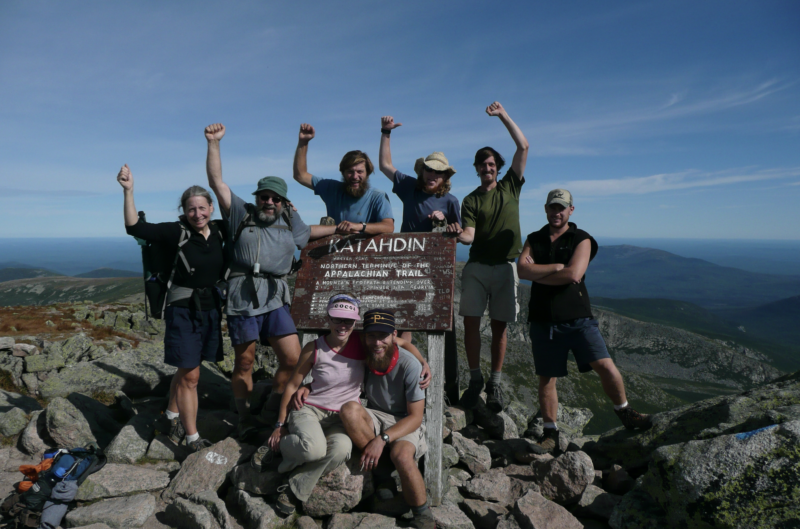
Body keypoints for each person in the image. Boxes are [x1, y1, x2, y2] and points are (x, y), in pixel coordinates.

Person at [260, 296, 431, 516]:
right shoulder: (340, 347)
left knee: (368, 452)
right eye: (337, 319)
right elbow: (307, 381)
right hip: (336, 411)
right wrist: (302, 397)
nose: (342, 325)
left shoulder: (384, 351)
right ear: (329, 319)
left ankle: (294, 488)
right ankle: (281, 449)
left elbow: (405, 346)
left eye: (348, 321)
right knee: (326, 438)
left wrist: (423, 362)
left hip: (372, 418)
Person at [517, 189, 652, 456]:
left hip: (578, 318)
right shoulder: (534, 238)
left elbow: (575, 273)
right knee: (547, 379)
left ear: (571, 210)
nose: (556, 212)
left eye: (561, 208)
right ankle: (550, 434)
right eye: (552, 208)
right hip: (543, 320)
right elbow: (521, 270)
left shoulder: (582, 239)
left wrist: (540, 273)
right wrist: (557, 268)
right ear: (546, 209)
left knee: (605, 365)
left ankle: (625, 412)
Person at [204, 123, 313, 437]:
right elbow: (217, 182)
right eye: (265, 196)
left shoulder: (290, 220)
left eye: (276, 198)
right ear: (258, 197)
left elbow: (311, 237)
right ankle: (244, 416)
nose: (269, 202)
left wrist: (354, 231)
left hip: (277, 296)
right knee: (245, 361)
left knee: (293, 361)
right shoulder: (241, 213)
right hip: (243, 294)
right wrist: (214, 143)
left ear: (283, 201)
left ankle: (271, 408)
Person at [117, 164, 224, 452]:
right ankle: (191, 438)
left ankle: (169, 415)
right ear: (184, 211)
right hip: (182, 307)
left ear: (211, 208)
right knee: (191, 375)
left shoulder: (220, 231)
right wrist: (129, 191)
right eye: (191, 209)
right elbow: (134, 227)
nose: (197, 214)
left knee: (189, 366)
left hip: (210, 307)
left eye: (202, 208)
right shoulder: (174, 232)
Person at [450, 101, 529, 412]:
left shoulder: (511, 186)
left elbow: (523, 145)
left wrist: (503, 115)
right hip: (478, 267)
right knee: (470, 324)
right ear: (477, 169)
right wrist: (456, 232)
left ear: (498, 166)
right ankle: (475, 380)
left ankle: (494, 383)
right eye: (482, 165)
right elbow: (469, 235)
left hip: (506, 267)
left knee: (499, 327)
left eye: (492, 164)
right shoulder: (470, 200)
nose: (487, 168)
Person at [337, 309, 434, 529]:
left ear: (393, 336)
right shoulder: (365, 347)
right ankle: (382, 474)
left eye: (383, 336)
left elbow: (416, 417)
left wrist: (381, 439)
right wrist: (306, 386)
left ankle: (423, 514)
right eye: (372, 336)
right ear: (364, 336)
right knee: (349, 411)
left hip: (404, 419)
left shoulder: (410, 366)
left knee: (402, 456)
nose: (377, 342)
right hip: (375, 412)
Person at [378, 115, 462, 342]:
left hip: (432, 267)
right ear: (422, 171)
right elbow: (385, 166)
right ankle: (401, 356)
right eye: (429, 169)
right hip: (405, 260)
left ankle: (410, 361)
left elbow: (458, 233)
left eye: (438, 172)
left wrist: (444, 223)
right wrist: (386, 132)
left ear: (445, 176)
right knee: (402, 310)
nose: (432, 175)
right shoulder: (409, 188)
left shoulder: (451, 201)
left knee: (422, 313)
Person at [293, 123, 394, 237]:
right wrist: (303, 142)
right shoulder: (331, 189)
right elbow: (300, 175)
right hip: (336, 252)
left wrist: (359, 226)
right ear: (343, 173)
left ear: (368, 173)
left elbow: (388, 226)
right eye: (350, 172)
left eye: (360, 172)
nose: (355, 177)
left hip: (367, 252)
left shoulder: (378, 196)